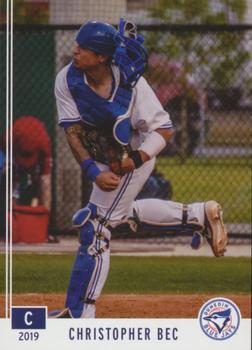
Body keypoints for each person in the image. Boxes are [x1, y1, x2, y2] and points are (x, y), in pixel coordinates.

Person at [51, 19, 227, 318]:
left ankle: (80, 314)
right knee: (117, 215)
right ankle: (197, 215)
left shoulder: (132, 85)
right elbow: (72, 131)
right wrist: (92, 171)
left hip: (137, 153)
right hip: (105, 157)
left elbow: (164, 130)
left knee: (95, 225)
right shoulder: (67, 79)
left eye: (84, 48)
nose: (75, 51)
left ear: (102, 56)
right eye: (77, 45)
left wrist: (137, 158)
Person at [12, 115, 58, 242]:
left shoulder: (43, 143)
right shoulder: (11, 136)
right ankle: (12, 223)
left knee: (45, 184)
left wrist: (45, 211)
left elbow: (46, 177)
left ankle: (45, 226)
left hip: (37, 152)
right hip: (14, 152)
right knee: (11, 179)